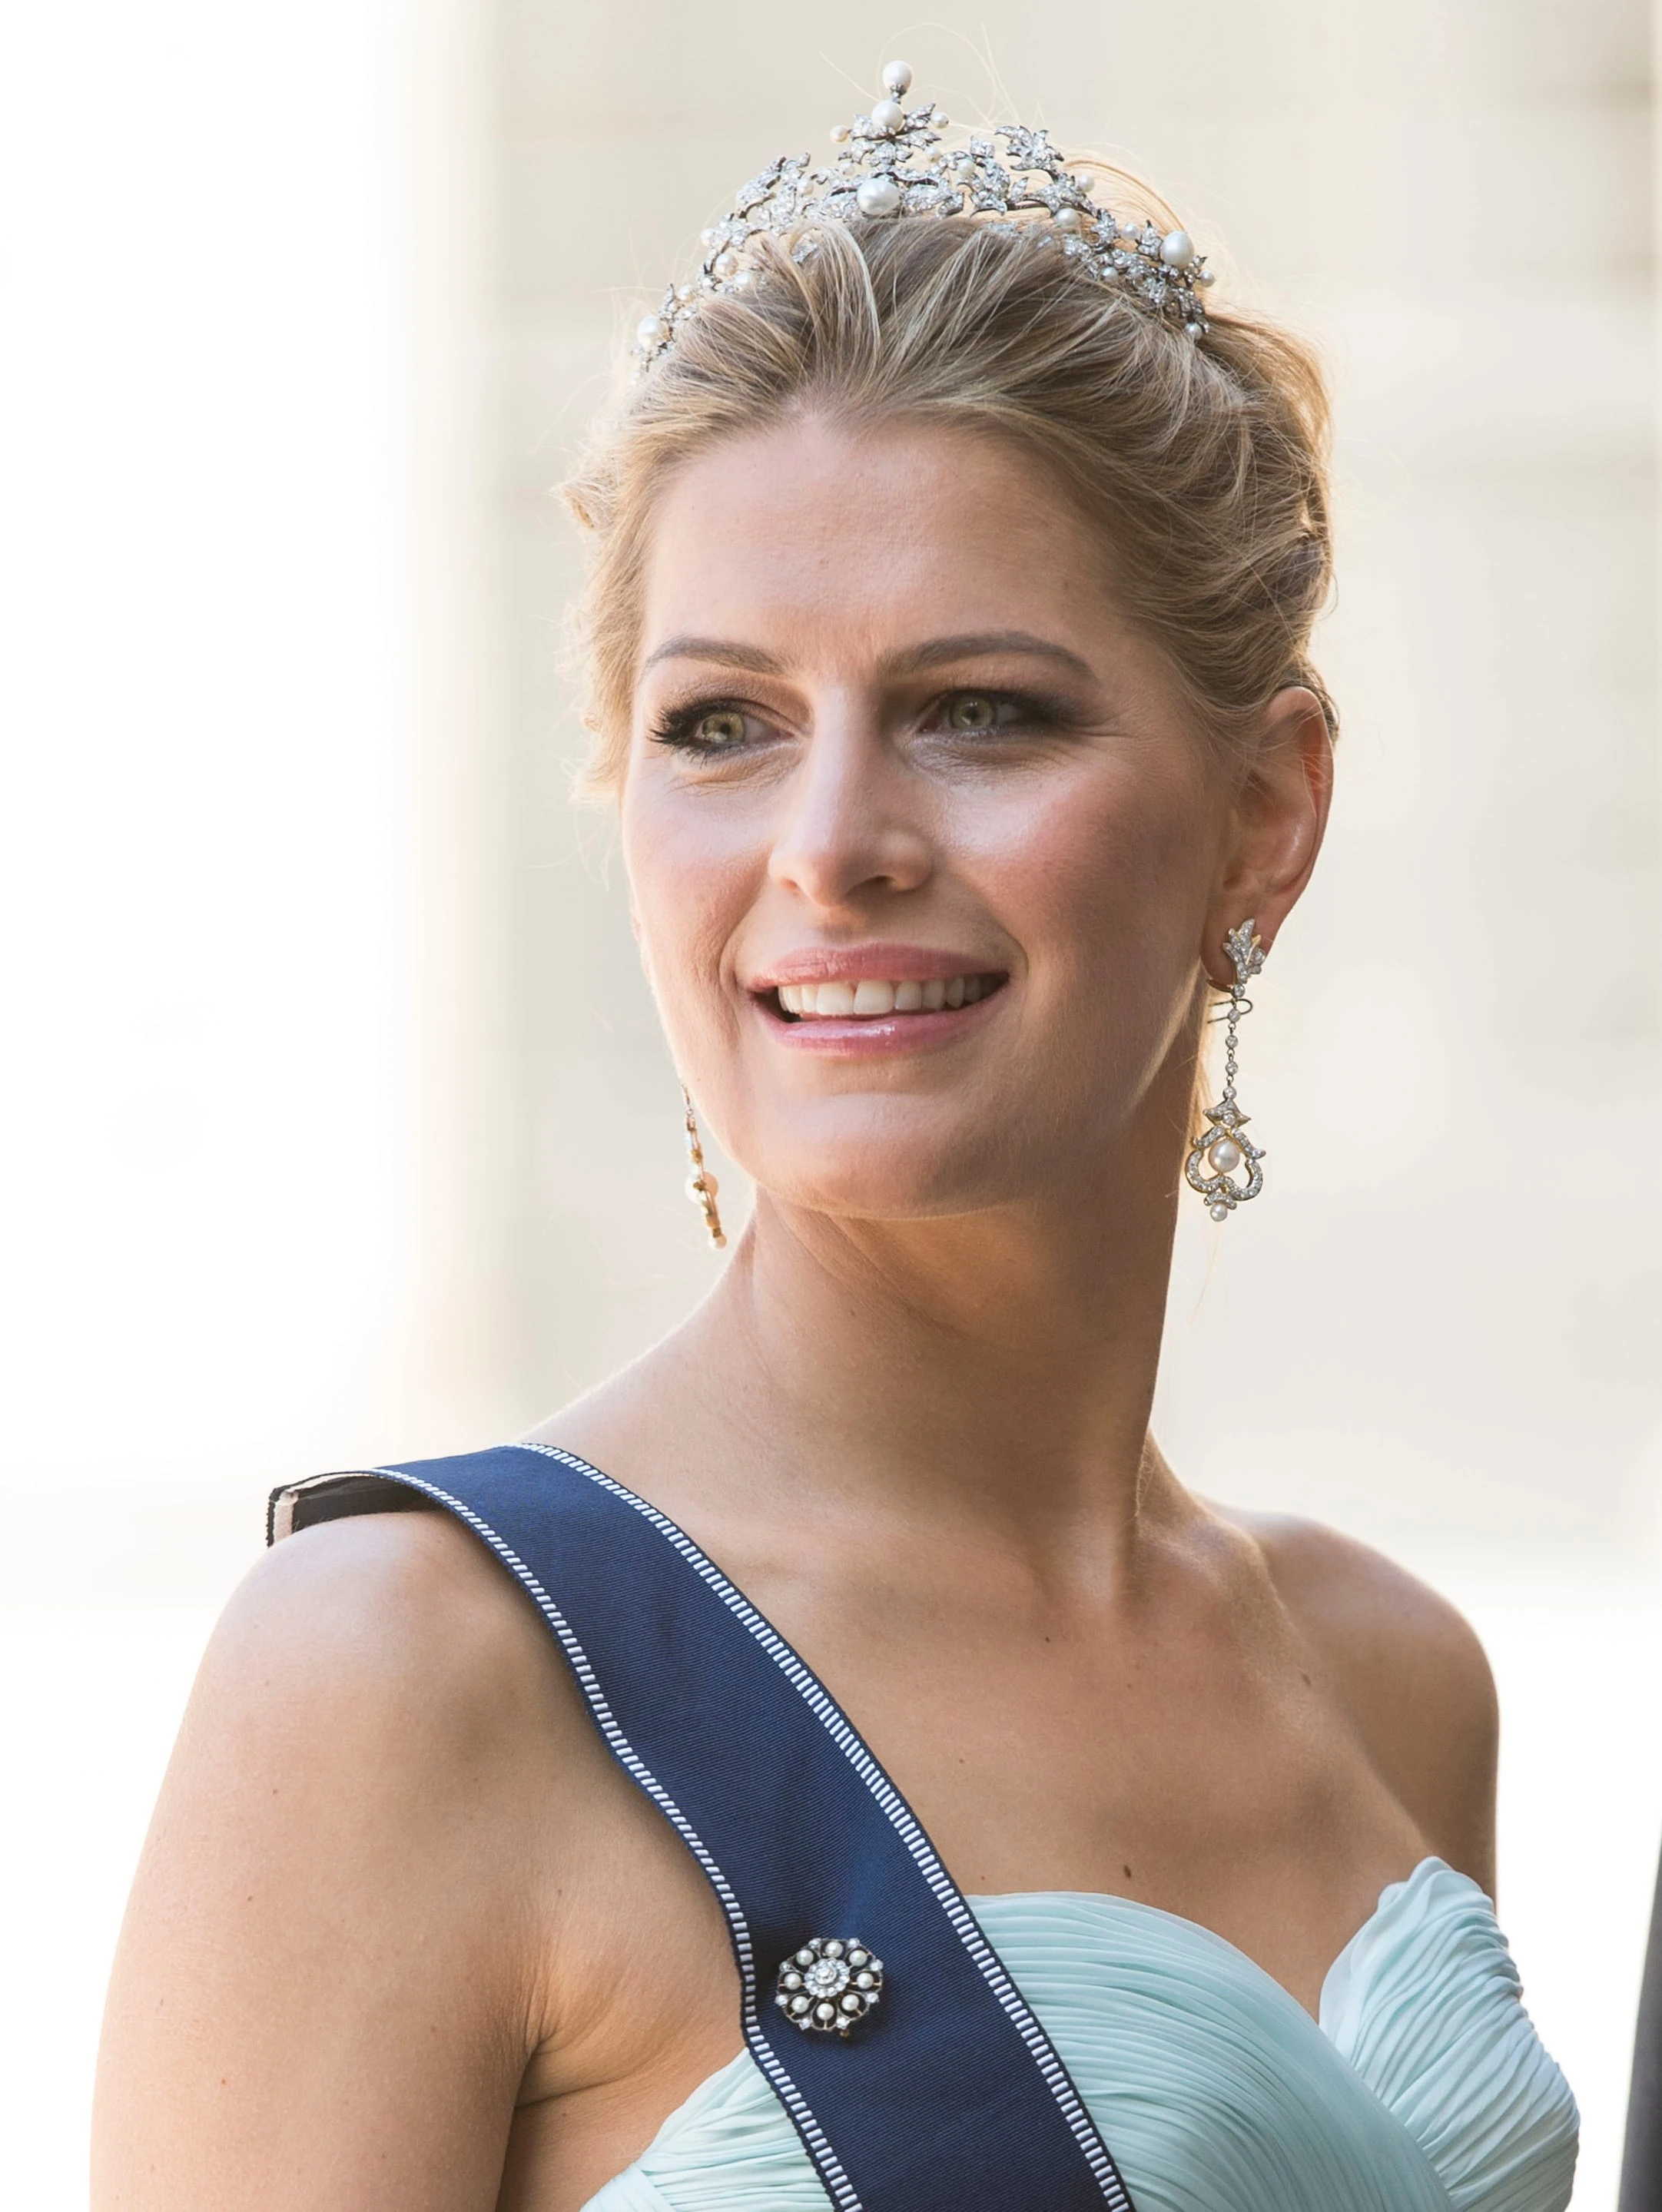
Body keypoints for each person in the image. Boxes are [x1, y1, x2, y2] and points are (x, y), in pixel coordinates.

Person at [93, 64, 1579, 2212]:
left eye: (980, 710)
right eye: (724, 726)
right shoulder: (405, 1681)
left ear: (1267, 812)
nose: (830, 843)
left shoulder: (1392, 1685)